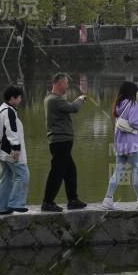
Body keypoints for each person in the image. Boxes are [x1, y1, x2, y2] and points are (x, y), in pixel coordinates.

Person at [41, 74, 88, 212]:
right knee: (57, 172)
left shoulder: (55, 99)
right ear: (60, 83)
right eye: (66, 83)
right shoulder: (54, 100)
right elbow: (74, 108)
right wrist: (80, 98)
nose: (67, 86)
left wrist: (77, 100)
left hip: (63, 141)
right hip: (60, 141)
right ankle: (47, 202)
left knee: (70, 171)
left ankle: (72, 200)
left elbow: (69, 106)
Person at [102, 81, 138, 208]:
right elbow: (134, 121)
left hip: (120, 144)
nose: (136, 94)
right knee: (136, 173)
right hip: (132, 145)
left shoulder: (118, 105)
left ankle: (108, 199)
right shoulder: (133, 104)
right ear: (132, 93)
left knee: (118, 172)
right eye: (135, 92)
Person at [0, 85, 30, 215]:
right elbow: (11, 130)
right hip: (10, 151)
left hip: (1, 151)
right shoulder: (9, 111)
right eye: (19, 98)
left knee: (6, 177)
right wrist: (16, 148)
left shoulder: (1, 109)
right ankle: (16, 203)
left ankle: (2, 207)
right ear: (13, 98)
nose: (20, 100)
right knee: (23, 174)